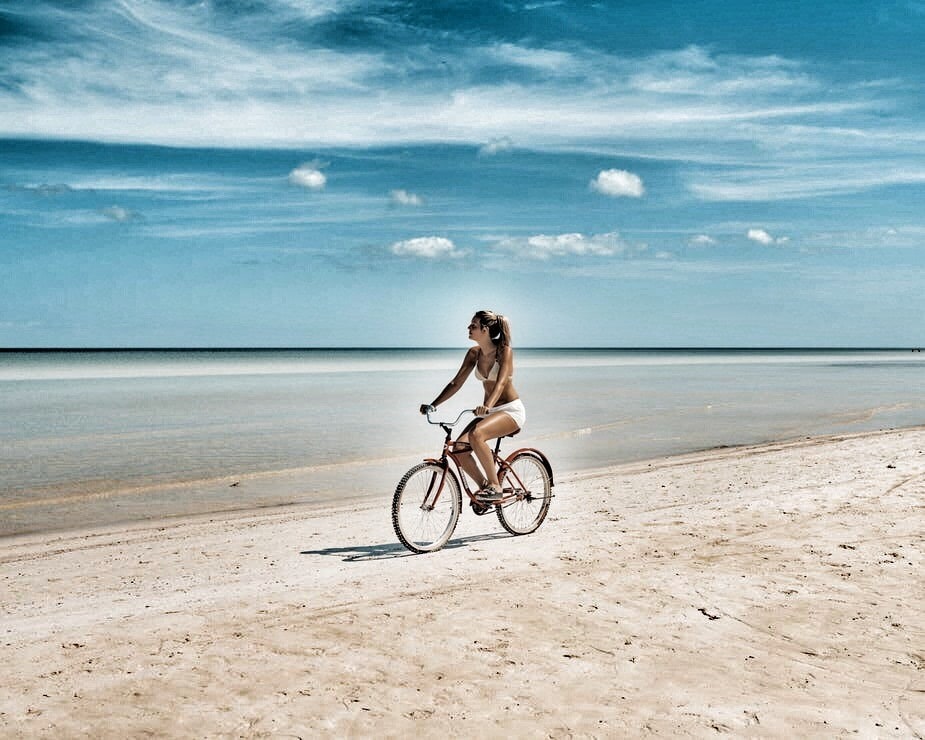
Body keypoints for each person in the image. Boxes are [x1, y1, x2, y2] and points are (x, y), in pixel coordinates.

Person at [420, 310, 526, 502]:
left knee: (476, 435)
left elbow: (501, 383)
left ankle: (495, 486)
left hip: (510, 410)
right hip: (489, 412)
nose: (468, 328)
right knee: (459, 449)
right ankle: (484, 489)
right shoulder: (473, 354)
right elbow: (456, 383)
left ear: (485, 330)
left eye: (473, 325)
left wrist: (487, 405)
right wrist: (433, 405)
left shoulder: (504, 352)